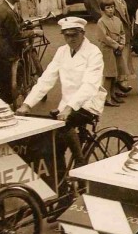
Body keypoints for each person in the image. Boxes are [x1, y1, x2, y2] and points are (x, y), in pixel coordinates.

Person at [17, 17, 106, 169]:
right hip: (66, 106)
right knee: (52, 143)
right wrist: (27, 104)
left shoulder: (93, 53)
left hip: (88, 103)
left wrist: (69, 107)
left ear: (82, 33)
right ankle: (62, 182)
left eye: (74, 35)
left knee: (64, 125)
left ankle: (80, 162)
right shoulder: (62, 51)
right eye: (67, 35)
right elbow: (47, 79)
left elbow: (90, 85)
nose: (70, 39)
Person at [0, 0, 43, 105]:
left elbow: (16, 26)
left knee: (4, 84)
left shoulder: (7, 7)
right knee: (6, 86)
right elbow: (16, 36)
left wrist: (26, 25)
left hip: (4, 48)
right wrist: (34, 32)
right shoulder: (7, 12)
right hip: (7, 51)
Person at [97, 0, 133, 96]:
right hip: (113, 36)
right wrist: (116, 41)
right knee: (114, 63)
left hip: (122, 33)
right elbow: (106, 19)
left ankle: (119, 84)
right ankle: (115, 88)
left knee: (121, 60)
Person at [96, 0, 127, 107]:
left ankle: (113, 94)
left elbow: (122, 32)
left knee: (116, 73)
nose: (111, 10)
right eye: (108, 8)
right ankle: (107, 97)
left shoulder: (117, 20)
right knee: (109, 74)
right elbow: (104, 37)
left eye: (112, 7)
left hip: (117, 49)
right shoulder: (101, 22)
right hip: (108, 50)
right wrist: (116, 45)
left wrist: (122, 44)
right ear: (103, 9)